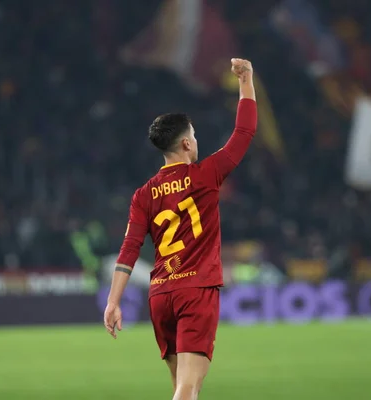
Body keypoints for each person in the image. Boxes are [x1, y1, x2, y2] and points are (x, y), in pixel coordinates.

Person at [104, 58, 257, 400]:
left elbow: (129, 250)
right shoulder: (206, 175)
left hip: (160, 294)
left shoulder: (143, 195)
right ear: (186, 144)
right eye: (194, 135)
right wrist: (245, 82)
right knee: (188, 388)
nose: (196, 140)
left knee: (180, 387)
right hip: (196, 291)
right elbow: (244, 132)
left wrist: (114, 301)